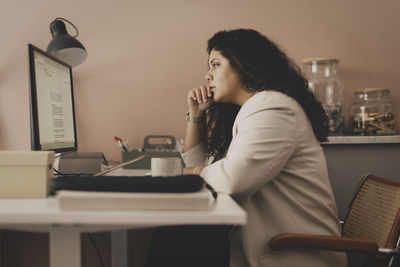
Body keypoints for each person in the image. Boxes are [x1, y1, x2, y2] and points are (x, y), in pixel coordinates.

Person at [179, 29, 348, 267]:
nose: (208, 75)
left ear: (243, 64)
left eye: (216, 64)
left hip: (295, 253)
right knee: (181, 239)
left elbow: (233, 179)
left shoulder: (273, 107)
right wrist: (195, 116)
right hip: (276, 245)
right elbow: (204, 165)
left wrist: (191, 173)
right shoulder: (252, 110)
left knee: (177, 240)